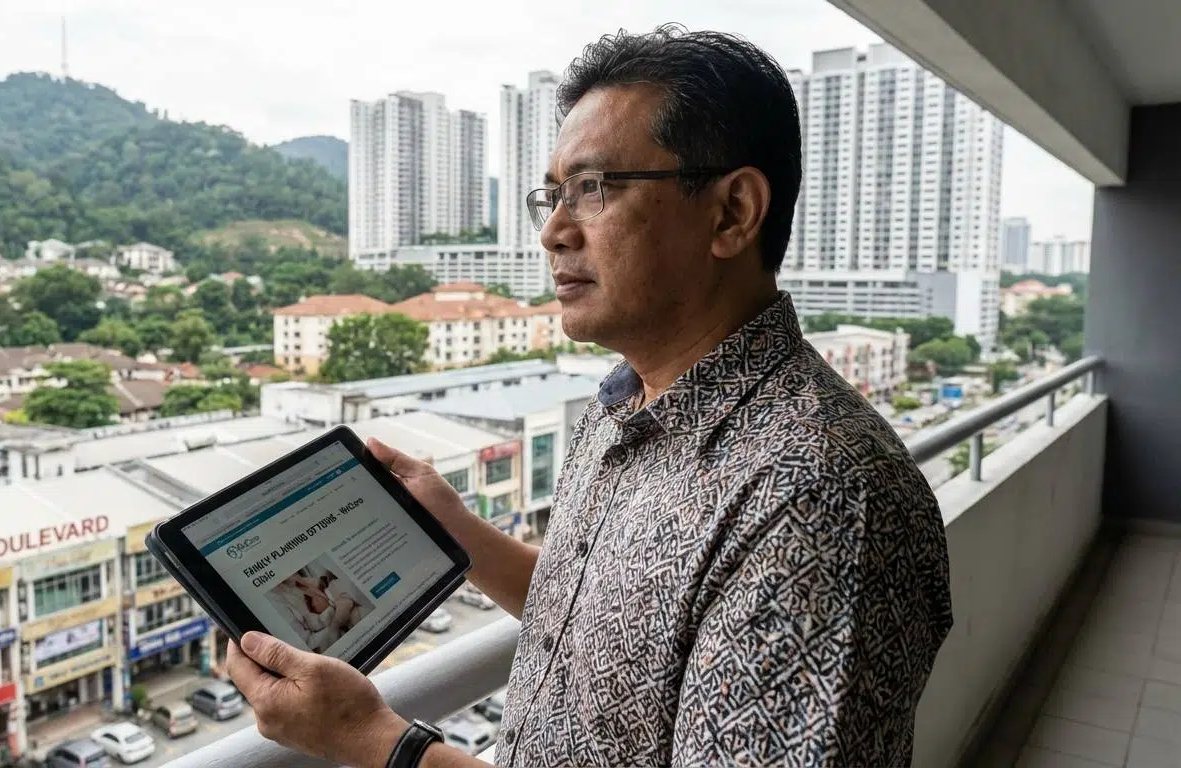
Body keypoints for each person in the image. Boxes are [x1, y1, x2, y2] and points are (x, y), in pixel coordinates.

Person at [225, 24, 952, 767]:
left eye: (593, 188)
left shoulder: (818, 495)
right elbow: (616, 627)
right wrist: (458, 534)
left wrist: (372, 739)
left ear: (732, 212)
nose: (553, 232)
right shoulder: (623, 408)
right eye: (552, 196)